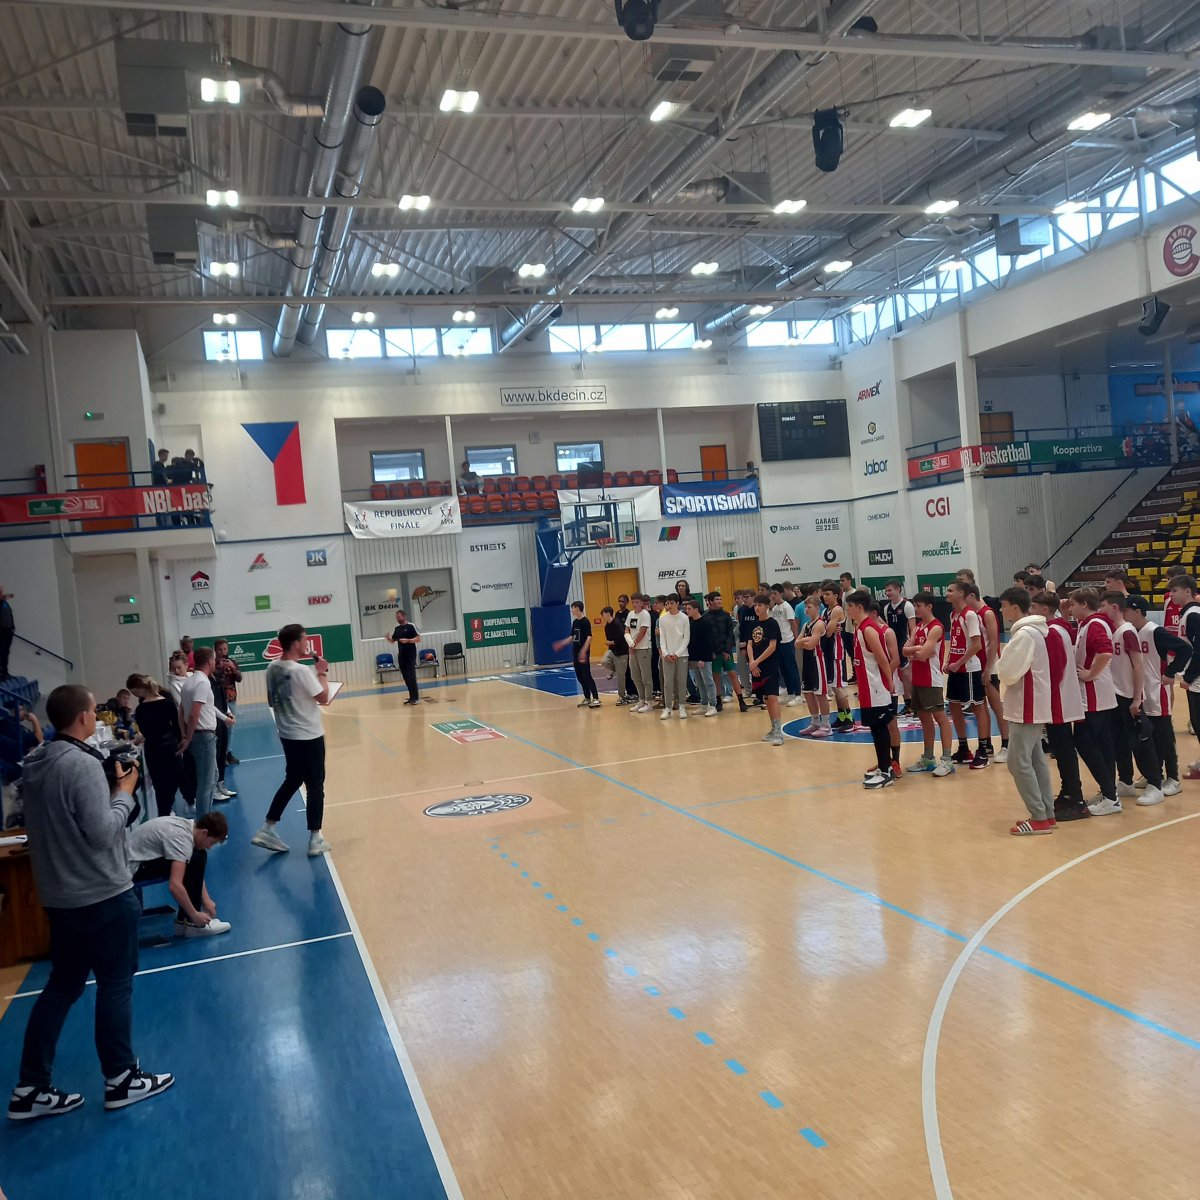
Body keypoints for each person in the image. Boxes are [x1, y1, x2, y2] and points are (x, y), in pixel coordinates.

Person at [7, 685, 173, 1121]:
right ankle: (121, 1078)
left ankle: (30, 1087)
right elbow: (102, 832)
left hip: (61, 897)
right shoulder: (80, 765)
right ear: (83, 717)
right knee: (116, 984)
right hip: (101, 893)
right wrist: (125, 791)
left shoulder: (36, 762)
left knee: (62, 986)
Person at [252, 623, 332, 856]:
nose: (307, 644)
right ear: (296, 643)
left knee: (293, 780)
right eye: (305, 640)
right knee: (315, 785)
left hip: (288, 736)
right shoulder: (302, 671)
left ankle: (268, 827)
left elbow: (271, 700)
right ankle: (315, 838)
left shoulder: (272, 668)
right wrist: (321, 673)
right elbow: (324, 697)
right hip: (309, 736)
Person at [995, 587, 1057, 835]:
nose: (1001, 610)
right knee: (1035, 760)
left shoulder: (1024, 635)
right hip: (1030, 703)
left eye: (1003, 606)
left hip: (1026, 705)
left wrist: (1000, 665)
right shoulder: (1034, 632)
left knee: (1017, 762)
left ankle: (1039, 817)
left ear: (1014, 607)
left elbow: (1008, 671)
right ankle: (1047, 813)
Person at [1029, 591, 1088, 821]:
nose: (1031, 611)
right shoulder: (1060, 626)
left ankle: (1076, 799)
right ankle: (1068, 792)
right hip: (1062, 699)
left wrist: (1045, 697)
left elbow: (1055, 669)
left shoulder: (1052, 631)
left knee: (1064, 751)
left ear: (1045, 609)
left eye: (1034, 607)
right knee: (1063, 751)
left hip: (1058, 701)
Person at [1123, 594, 1189, 798]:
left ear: (1137, 612)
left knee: (1164, 737)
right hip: (1141, 692)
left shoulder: (1155, 631)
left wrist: (1171, 672)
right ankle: (1154, 774)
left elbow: (1185, 648)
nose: (1123, 613)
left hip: (1157, 691)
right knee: (1148, 738)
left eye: (1126, 610)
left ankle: (1173, 778)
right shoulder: (1131, 632)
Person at [126, 812, 231, 938]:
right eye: (212, 842)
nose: (209, 847)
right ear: (204, 832)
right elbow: (175, 885)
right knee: (197, 857)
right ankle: (192, 924)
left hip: (135, 860)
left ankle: (183, 922)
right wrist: (194, 915)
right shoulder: (182, 840)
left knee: (196, 856)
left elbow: (194, 870)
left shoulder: (189, 826)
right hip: (131, 869)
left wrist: (206, 899)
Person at [1101, 591, 1161, 804]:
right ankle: (1125, 781)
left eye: (1103, 606)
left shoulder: (1127, 631)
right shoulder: (1113, 631)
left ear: (1114, 607)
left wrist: (1137, 699)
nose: (1101, 610)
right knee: (1120, 741)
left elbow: (1138, 665)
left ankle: (1155, 784)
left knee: (1141, 742)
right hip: (1115, 695)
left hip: (1129, 696)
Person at [1067, 588, 1120, 815]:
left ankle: (1111, 795)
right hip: (1097, 695)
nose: (1070, 608)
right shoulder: (1087, 624)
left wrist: (1090, 674)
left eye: (1072, 604)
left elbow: (1106, 653)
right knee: (1103, 744)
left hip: (1094, 695)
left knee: (1085, 742)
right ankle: (1110, 793)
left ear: (1084, 604)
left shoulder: (1095, 624)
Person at [845, 590, 896, 789]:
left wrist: (889, 681)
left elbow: (883, 658)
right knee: (875, 728)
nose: (847, 610)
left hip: (876, 686)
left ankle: (886, 771)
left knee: (879, 727)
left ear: (860, 607)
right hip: (867, 687)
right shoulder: (860, 628)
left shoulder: (869, 629)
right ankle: (884, 766)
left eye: (850, 606)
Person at [903, 592, 954, 776]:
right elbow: (905, 651)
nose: (916, 609)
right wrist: (918, 650)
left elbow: (924, 655)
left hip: (931, 679)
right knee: (924, 719)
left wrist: (917, 652)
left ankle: (947, 760)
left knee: (940, 718)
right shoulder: (918, 627)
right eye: (915, 606)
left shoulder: (936, 627)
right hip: (917, 678)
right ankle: (928, 758)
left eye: (919, 606)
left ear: (929, 606)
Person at [179, 647, 230, 819]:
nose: (215, 663)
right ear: (209, 661)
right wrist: (188, 738)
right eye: (214, 660)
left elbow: (181, 711)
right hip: (203, 736)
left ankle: (205, 818)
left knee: (212, 776)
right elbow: (194, 713)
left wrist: (185, 734)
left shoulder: (188, 682)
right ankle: (203, 822)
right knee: (206, 784)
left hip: (199, 736)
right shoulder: (202, 683)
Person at [126, 674, 184, 818]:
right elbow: (176, 727)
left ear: (139, 689)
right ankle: (170, 806)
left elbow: (144, 731)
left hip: (152, 748)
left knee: (159, 784)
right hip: (169, 745)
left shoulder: (140, 709)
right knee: (174, 779)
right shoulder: (168, 703)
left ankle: (163, 813)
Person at [945, 581, 989, 770]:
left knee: (977, 707)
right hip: (956, 669)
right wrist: (948, 661)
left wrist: (958, 663)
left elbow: (977, 645)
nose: (947, 593)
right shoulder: (953, 614)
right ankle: (964, 749)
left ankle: (983, 750)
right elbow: (954, 641)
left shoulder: (970, 615)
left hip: (970, 669)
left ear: (961, 594)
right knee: (954, 706)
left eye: (950, 590)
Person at [969, 588, 1009, 763]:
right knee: (980, 706)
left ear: (971, 595)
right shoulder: (969, 614)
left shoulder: (987, 613)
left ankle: (1007, 745)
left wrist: (988, 668)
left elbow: (993, 642)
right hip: (975, 666)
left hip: (989, 666)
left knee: (996, 706)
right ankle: (987, 744)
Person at [1170, 575, 1200, 777]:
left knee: (1198, 721)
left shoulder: (1193, 615)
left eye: (1175, 590)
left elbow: (1198, 649)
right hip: (1195, 675)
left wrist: (1189, 676)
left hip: (1197, 677)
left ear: (1187, 591)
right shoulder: (1188, 613)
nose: (1171, 595)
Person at [747, 593, 783, 746]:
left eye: (760, 605)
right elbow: (749, 644)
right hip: (756, 666)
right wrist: (752, 662)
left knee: (772, 696)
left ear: (767, 606)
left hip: (769, 665)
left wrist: (757, 661)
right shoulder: (753, 624)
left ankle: (779, 732)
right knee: (766, 698)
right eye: (755, 605)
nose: (757, 608)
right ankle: (772, 729)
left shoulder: (772, 623)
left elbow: (772, 646)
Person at [818, 581, 854, 730]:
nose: (825, 597)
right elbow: (823, 630)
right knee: (834, 686)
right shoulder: (825, 611)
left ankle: (849, 719)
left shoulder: (837, 610)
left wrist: (826, 629)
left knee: (838, 687)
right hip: (828, 651)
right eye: (823, 594)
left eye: (828, 594)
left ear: (836, 595)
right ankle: (841, 717)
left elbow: (827, 633)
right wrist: (826, 629)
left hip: (836, 652)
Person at [703, 592, 746, 713]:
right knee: (716, 676)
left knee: (732, 674)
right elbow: (706, 637)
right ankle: (718, 701)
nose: (719, 601)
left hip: (726, 651)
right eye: (717, 599)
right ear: (710, 602)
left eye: (720, 599)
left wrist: (727, 650)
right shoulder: (705, 617)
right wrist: (711, 651)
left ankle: (741, 700)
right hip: (714, 653)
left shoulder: (726, 615)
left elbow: (730, 634)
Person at [796, 596, 831, 737]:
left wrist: (803, 641)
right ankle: (815, 722)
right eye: (805, 607)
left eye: (809, 607)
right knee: (808, 692)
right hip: (807, 661)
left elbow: (810, 645)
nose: (806, 609)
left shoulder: (819, 624)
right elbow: (796, 644)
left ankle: (826, 726)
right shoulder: (806, 625)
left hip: (818, 661)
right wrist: (806, 640)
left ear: (817, 608)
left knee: (820, 694)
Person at [882, 580, 916, 715]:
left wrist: (911, 645)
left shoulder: (907, 606)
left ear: (898, 589)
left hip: (904, 645)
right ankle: (908, 704)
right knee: (900, 676)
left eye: (890, 590)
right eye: (886, 590)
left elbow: (913, 628)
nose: (887, 593)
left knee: (908, 675)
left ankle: (916, 704)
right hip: (893, 646)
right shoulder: (887, 608)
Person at [766, 585, 802, 708]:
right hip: (778, 642)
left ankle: (798, 694)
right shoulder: (774, 608)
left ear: (781, 593)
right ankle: (790, 692)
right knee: (783, 669)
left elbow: (793, 624)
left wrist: (796, 639)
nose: (772, 596)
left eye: (775, 593)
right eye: (771, 594)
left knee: (792, 668)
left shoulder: (786, 607)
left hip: (788, 641)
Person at [657, 594, 691, 720]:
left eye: (672, 603)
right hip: (667, 655)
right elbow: (662, 638)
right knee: (668, 682)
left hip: (681, 655)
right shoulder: (663, 619)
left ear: (677, 603)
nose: (669, 606)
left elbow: (686, 638)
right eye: (668, 603)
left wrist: (678, 653)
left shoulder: (684, 618)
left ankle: (681, 706)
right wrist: (665, 653)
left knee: (681, 681)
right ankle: (667, 708)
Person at [684, 599, 718, 716]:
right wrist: (690, 659)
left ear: (696, 609)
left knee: (708, 681)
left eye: (689, 609)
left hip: (704, 658)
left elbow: (708, 642)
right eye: (686, 609)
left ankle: (713, 705)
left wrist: (703, 659)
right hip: (694, 657)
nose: (687, 611)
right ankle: (703, 704)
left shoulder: (705, 622)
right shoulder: (690, 623)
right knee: (699, 682)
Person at [213, 639, 243, 762]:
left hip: (231, 699)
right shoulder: (213, 663)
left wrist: (233, 668)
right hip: (218, 700)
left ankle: (227, 752)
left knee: (231, 727)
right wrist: (221, 670)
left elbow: (239, 678)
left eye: (225, 649)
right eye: (220, 649)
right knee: (219, 728)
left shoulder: (232, 662)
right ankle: (220, 754)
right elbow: (214, 679)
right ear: (215, 650)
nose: (223, 652)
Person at [624, 595, 653, 714]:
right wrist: (629, 642)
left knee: (645, 676)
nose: (635, 604)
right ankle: (641, 699)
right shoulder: (630, 614)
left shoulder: (645, 614)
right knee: (635, 676)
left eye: (637, 602)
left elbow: (643, 631)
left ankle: (648, 702)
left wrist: (634, 643)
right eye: (633, 602)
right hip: (632, 648)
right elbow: (627, 629)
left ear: (641, 603)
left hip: (643, 648)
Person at [386, 609, 422, 705]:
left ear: (404, 616)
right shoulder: (397, 629)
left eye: (399, 617)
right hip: (401, 655)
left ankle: (416, 698)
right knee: (405, 676)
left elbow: (418, 639)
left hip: (410, 654)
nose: (397, 618)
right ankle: (411, 697)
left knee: (411, 675)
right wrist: (388, 638)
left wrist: (408, 640)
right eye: (396, 617)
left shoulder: (411, 626)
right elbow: (393, 640)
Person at [568, 602, 599, 708]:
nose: (572, 610)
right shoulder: (575, 622)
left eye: (573, 608)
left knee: (586, 675)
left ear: (577, 608)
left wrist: (584, 651)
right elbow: (572, 636)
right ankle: (587, 697)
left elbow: (589, 637)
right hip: (575, 652)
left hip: (583, 653)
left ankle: (596, 698)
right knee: (580, 676)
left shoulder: (585, 621)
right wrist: (563, 643)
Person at [601, 605, 629, 705]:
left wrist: (611, 642)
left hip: (622, 652)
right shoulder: (606, 627)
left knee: (621, 676)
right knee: (604, 661)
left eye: (603, 614)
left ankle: (622, 696)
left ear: (608, 614)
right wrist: (610, 643)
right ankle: (613, 670)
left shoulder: (617, 624)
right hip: (612, 650)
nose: (603, 617)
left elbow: (621, 638)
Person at [0, 584, 13, 681]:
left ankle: (5, 672)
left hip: (8, 630)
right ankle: (1, 673)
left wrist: (12, 628)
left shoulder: (4, 602)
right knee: (1, 651)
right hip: (1, 631)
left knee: (6, 651)